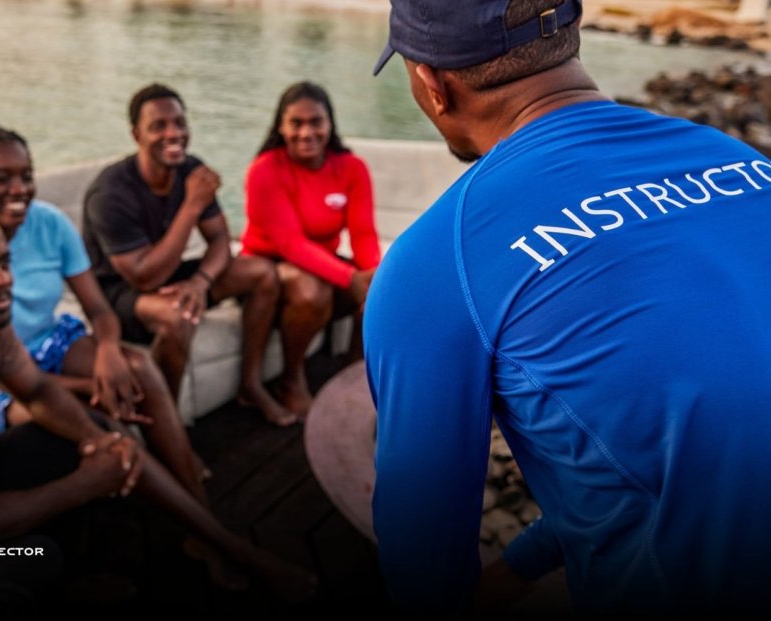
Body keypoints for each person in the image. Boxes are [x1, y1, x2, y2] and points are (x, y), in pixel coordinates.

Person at [366, 0, 771, 615]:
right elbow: (706, 441)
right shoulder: (744, 163)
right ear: (569, 36)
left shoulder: (436, 262)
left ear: (432, 84)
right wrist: (524, 563)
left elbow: (424, 570)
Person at [0, 204, 316, 610]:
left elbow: (39, 392)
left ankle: (225, 547)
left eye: (4, 262)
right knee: (37, 558)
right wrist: (85, 482)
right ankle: (63, 580)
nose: (0, 279)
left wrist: (100, 443)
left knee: (84, 429)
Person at [0, 124, 207, 501]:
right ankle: (159, 510)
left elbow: (99, 308)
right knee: (99, 414)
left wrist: (109, 353)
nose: (19, 190)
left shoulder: (48, 222)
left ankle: (194, 496)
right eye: (1, 179)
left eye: (26, 176)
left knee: (137, 370)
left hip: (49, 343)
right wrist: (90, 385)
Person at [82, 83, 296, 426]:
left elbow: (220, 242)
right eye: (159, 126)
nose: (174, 133)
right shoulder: (111, 193)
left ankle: (250, 384)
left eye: (180, 123)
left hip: (170, 274)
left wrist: (200, 281)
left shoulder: (190, 169)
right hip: (118, 294)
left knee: (262, 273)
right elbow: (143, 275)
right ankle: (165, 425)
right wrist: (192, 204)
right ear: (137, 135)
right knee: (175, 317)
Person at [241, 82, 381, 417]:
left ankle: (354, 376)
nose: (306, 132)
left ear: (330, 124)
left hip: (322, 262)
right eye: (296, 123)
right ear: (280, 126)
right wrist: (351, 278)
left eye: (316, 122)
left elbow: (362, 232)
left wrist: (372, 278)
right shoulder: (265, 169)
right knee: (311, 291)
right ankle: (290, 379)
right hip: (270, 265)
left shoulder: (351, 168)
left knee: (382, 289)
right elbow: (289, 243)